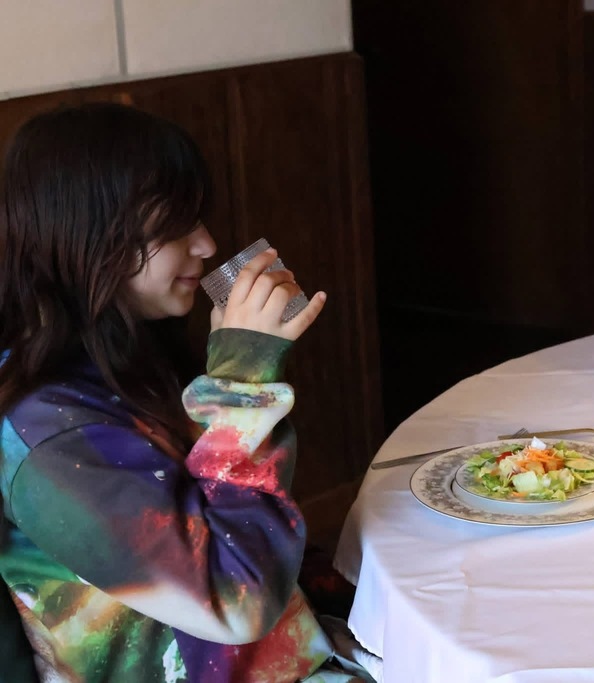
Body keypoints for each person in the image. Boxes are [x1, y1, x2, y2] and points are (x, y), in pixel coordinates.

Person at [0, 103, 378, 681]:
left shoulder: (119, 354)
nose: (206, 245)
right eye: (175, 225)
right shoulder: (49, 437)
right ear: (91, 238)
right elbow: (236, 599)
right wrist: (243, 381)